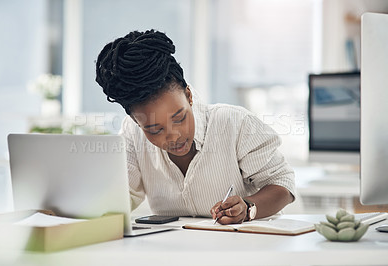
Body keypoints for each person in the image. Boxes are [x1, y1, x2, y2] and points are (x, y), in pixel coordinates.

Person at [95, 29, 295, 224]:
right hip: (174, 252)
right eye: (155, 130)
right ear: (136, 122)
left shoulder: (235, 123)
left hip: (242, 249)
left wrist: (248, 207)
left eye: (179, 118)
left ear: (188, 96)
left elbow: (282, 184)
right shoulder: (132, 134)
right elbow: (122, 195)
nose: (174, 136)